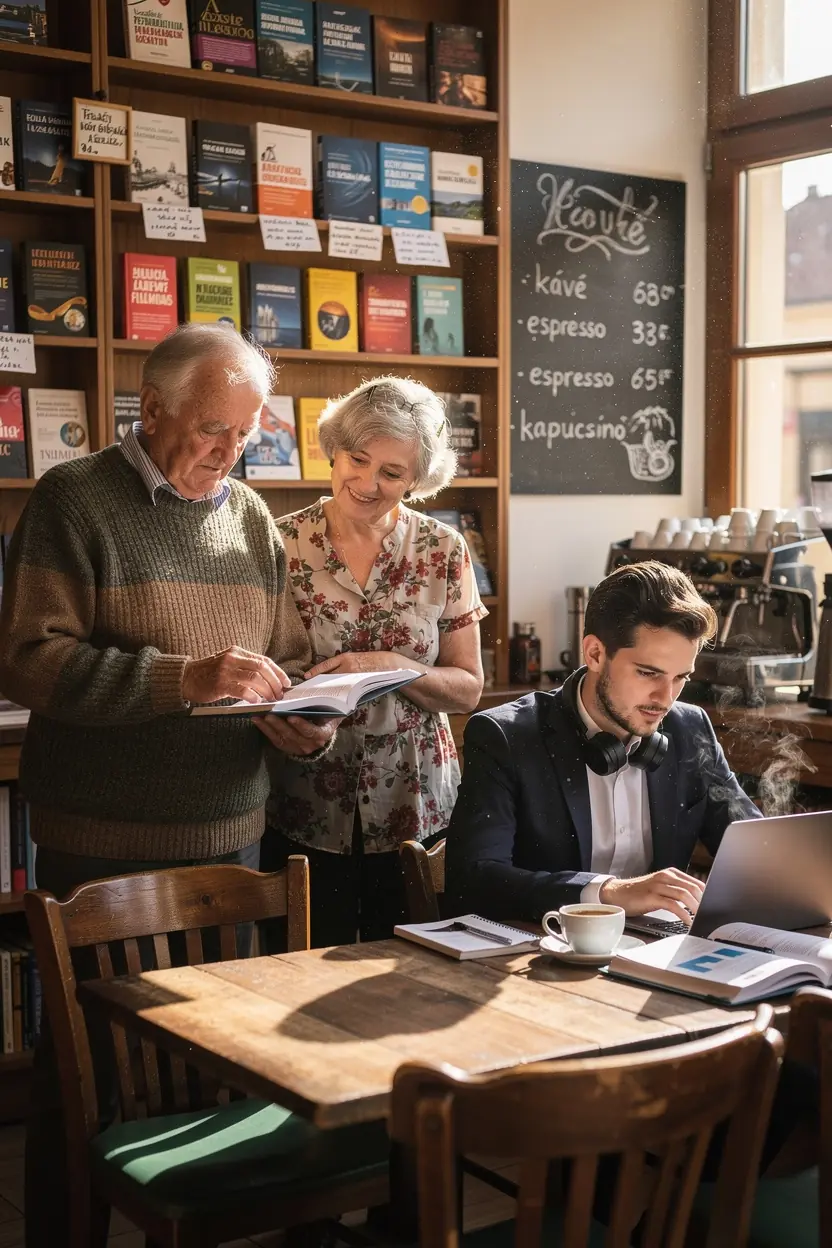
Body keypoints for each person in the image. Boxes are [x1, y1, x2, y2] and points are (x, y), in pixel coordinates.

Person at [0, 323, 334, 1248]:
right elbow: (27, 663)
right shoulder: (75, 500)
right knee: (94, 1081)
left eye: (249, 434)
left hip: (234, 834)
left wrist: (305, 719)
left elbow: (289, 661)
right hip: (102, 840)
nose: (232, 454)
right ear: (151, 410)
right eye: (214, 431)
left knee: (220, 1074)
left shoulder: (252, 517)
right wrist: (179, 679)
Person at [259, 376, 487, 948]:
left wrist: (392, 663)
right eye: (357, 460)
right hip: (303, 800)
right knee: (299, 971)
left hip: (416, 807)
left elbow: (467, 689)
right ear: (333, 450)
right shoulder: (276, 543)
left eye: (392, 473)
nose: (367, 483)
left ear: (417, 479)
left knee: (417, 976)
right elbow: (257, 673)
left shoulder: (443, 549)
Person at [445, 560, 761, 924]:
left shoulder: (690, 730)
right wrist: (607, 893)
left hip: (655, 956)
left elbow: (753, 853)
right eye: (648, 673)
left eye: (681, 678)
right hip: (540, 955)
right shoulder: (505, 736)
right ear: (595, 653)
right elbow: (474, 881)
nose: (665, 698)